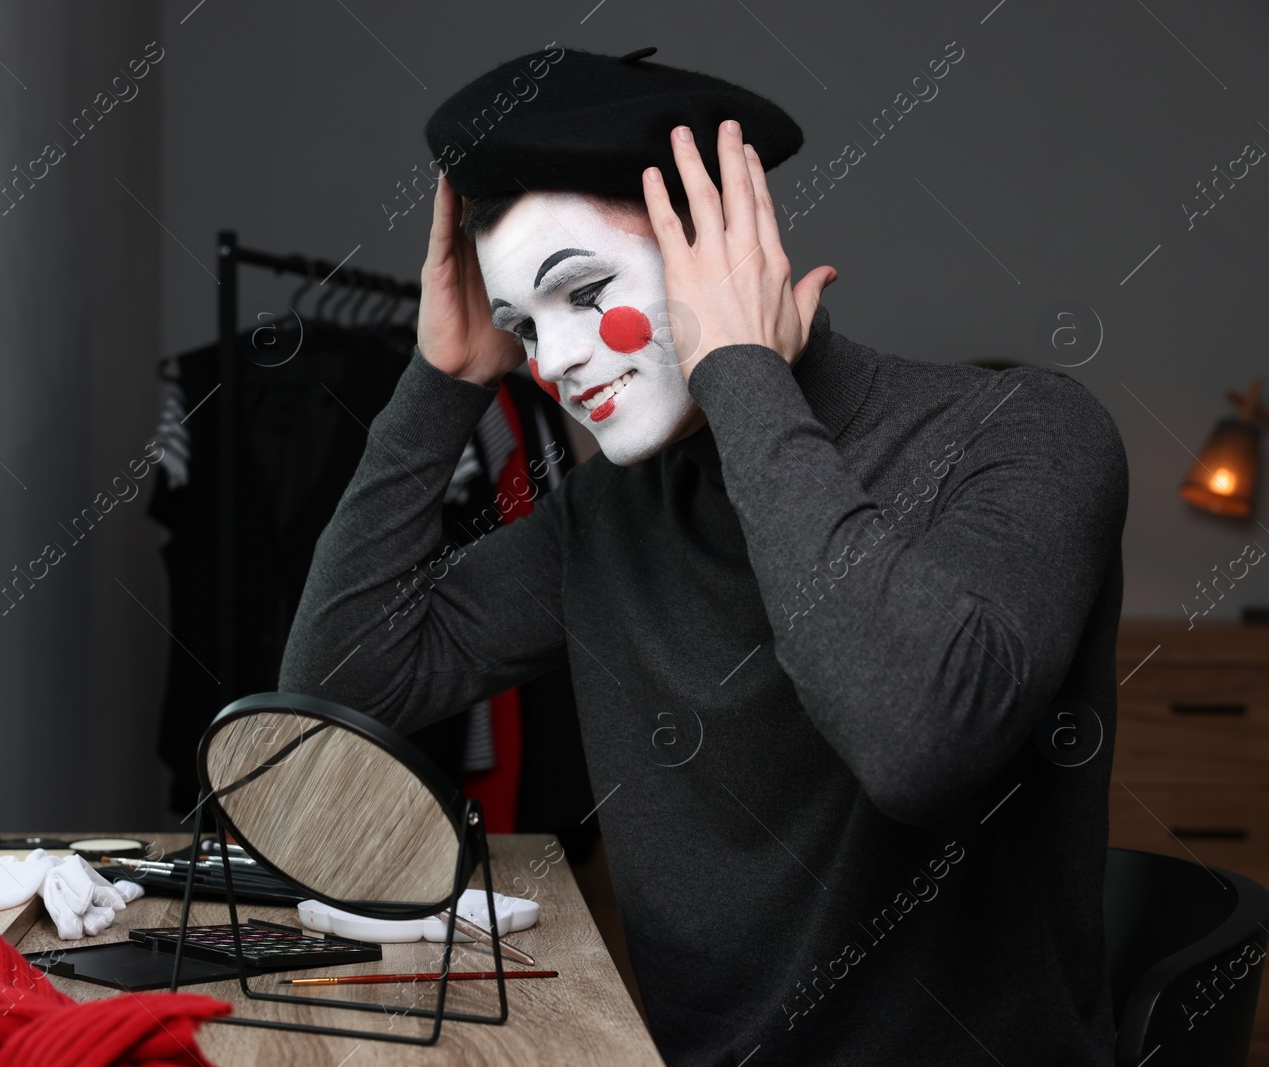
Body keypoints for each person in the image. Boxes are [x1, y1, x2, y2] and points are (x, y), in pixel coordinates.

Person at [280, 45, 1127, 1065]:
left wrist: (739, 366)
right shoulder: (610, 512)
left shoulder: (1025, 429)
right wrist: (440, 379)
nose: (554, 362)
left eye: (583, 291)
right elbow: (338, 680)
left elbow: (917, 744)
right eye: (522, 326)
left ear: (726, 259)